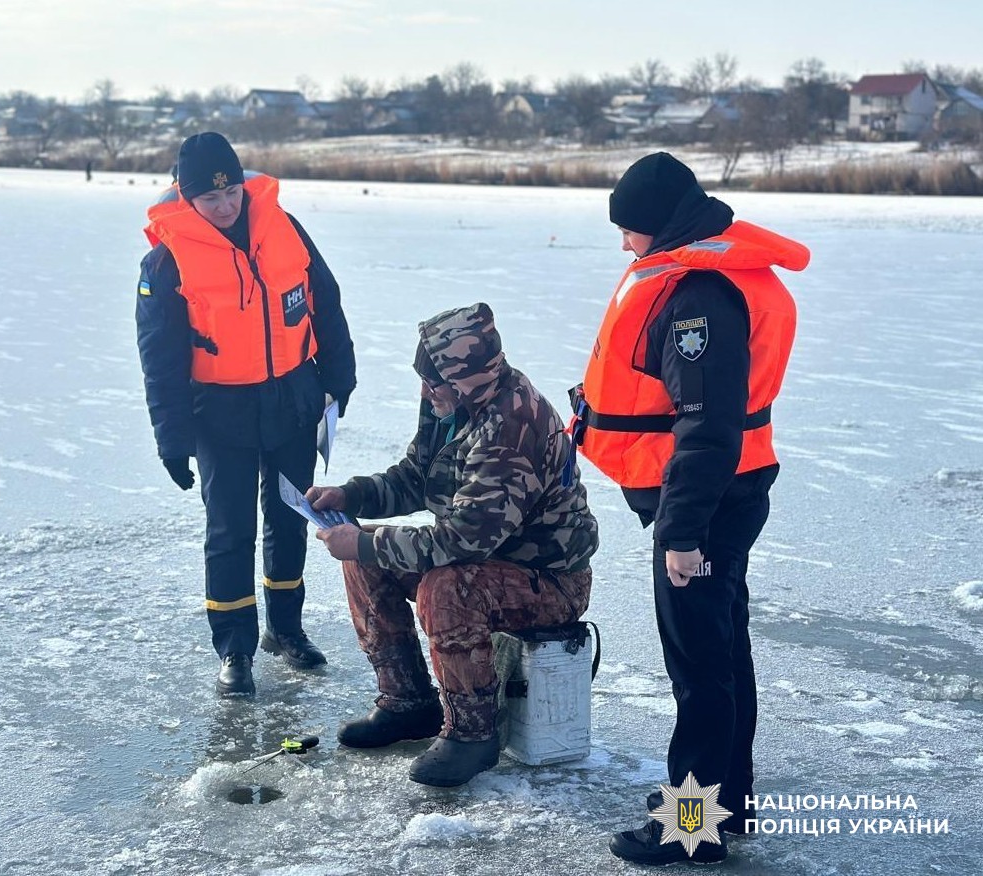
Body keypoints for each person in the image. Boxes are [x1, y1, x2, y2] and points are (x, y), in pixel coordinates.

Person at [567, 152, 808, 865]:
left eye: (629, 230)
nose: (625, 245)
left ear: (660, 223)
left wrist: (681, 533)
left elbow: (706, 429)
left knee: (701, 669)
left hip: (706, 502)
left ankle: (694, 828)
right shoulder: (706, 273)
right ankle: (728, 804)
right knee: (722, 652)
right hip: (727, 490)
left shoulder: (698, 298)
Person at [307, 303, 598, 787]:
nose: (426, 392)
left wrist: (363, 542)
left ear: (468, 377)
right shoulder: (452, 402)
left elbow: (462, 539)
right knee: (367, 556)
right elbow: (416, 477)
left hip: (550, 581)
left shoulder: (513, 423)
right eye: (424, 380)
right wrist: (350, 495)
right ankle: (407, 703)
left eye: (434, 383)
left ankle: (472, 734)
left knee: (445, 587)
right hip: (488, 560)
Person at [135, 132, 356, 698]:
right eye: (210, 198)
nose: (225, 205)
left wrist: (340, 377)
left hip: (293, 399)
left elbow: (325, 301)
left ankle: (286, 629)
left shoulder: (285, 228)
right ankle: (235, 648)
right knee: (229, 530)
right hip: (219, 412)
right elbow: (160, 359)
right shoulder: (165, 261)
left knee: (291, 516)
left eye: (231, 191)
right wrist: (171, 438)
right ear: (186, 197)